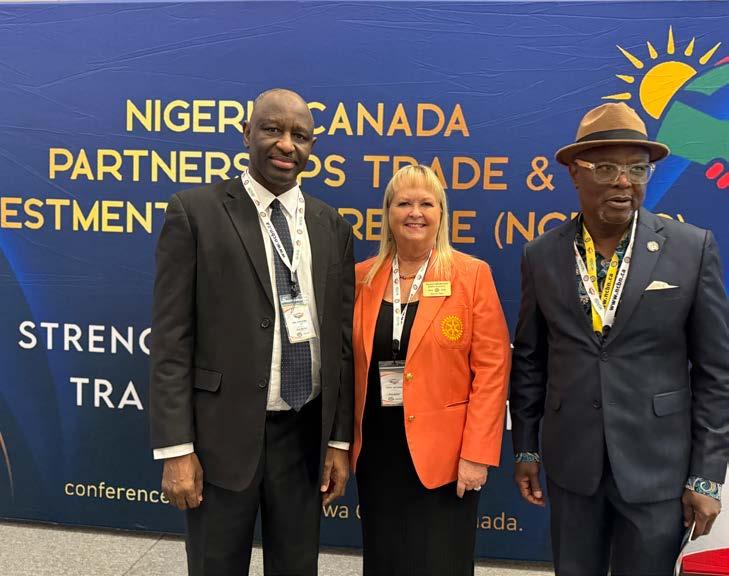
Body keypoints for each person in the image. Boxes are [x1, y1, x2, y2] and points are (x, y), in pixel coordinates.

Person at [510, 102, 729, 576]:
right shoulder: (540, 255)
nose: (624, 182)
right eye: (606, 168)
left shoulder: (692, 249)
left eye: (637, 168)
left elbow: (717, 373)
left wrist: (708, 475)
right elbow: (530, 360)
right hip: (573, 465)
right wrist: (526, 448)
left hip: (658, 468)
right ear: (575, 172)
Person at [148, 88, 354, 576]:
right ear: (246, 134)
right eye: (272, 129)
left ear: (312, 146)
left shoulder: (332, 226)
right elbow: (171, 341)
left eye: (300, 136)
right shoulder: (195, 213)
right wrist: (177, 450)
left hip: (304, 438)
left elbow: (342, 345)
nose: (286, 145)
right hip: (221, 438)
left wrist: (338, 441)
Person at [351, 164, 511, 575]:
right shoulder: (362, 279)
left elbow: (492, 370)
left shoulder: (471, 275)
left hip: (446, 456)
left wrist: (476, 455)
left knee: (441, 562)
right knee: (384, 559)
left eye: (426, 203)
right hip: (378, 452)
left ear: (442, 213)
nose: (415, 213)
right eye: (404, 203)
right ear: (388, 213)